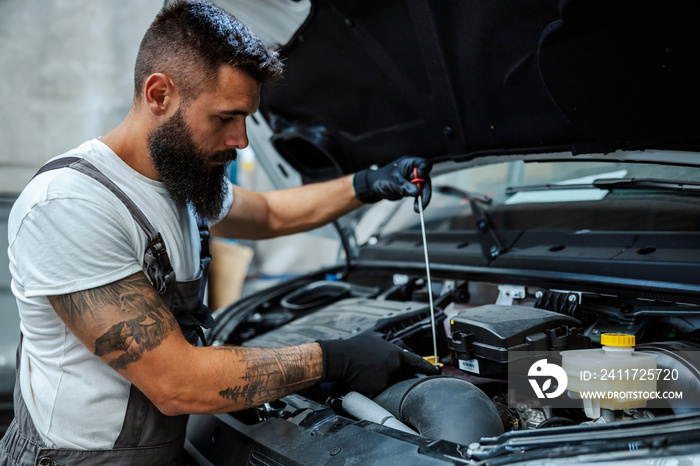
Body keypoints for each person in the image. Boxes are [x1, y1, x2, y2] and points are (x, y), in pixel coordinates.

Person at [0, 1, 435, 464]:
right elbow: (176, 382)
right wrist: (333, 359)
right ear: (159, 94)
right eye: (225, 117)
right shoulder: (70, 204)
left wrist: (370, 183)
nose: (241, 140)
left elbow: (269, 213)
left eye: (246, 118)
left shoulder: (182, 180)